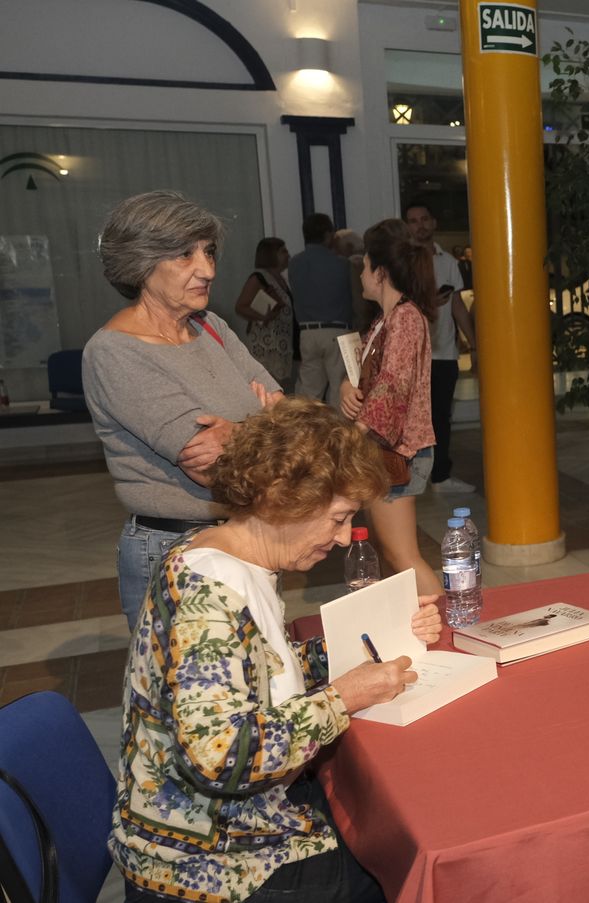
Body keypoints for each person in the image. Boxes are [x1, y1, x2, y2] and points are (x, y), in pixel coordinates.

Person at [112, 396, 442, 902]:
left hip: (230, 829)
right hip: (208, 862)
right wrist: (343, 699)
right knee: (399, 868)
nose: (339, 539)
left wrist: (378, 639)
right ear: (281, 500)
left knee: (377, 825)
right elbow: (219, 757)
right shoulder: (210, 591)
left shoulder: (227, 556)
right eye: (336, 518)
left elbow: (260, 673)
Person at [83, 190, 282, 632]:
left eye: (208, 252)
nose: (207, 269)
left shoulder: (210, 327)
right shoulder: (115, 352)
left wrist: (235, 432)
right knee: (190, 694)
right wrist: (263, 421)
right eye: (184, 255)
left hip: (246, 535)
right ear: (140, 264)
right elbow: (210, 468)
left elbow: (290, 419)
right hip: (176, 548)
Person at [340, 219, 444, 597]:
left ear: (380, 272)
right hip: (383, 449)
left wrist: (355, 433)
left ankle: (450, 629)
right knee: (393, 554)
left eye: (365, 266)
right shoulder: (388, 320)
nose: (362, 275)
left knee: (402, 556)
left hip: (398, 451)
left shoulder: (404, 318)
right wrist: (346, 387)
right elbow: (372, 378)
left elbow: (392, 385)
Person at [403, 199, 478, 494]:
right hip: (412, 353)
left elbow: (457, 303)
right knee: (411, 417)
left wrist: (473, 344)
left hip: (444, 351)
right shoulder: (403, 261)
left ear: (433, 223)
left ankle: (441, 476)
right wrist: (426, 303)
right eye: (413, 220)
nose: (420, 225)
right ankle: (410, 477)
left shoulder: (448, 261)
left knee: (441, 416)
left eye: (424, 219)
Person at [287, 213, 356, 406]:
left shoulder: (295, 263)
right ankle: (339, 434)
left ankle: (304, 433)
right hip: (338, 330)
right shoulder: (342, 263)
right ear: (328, 235)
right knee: (340, 390)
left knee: (308, 393)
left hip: (307, 332)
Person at [232, 237, 295, 388]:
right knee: (267, 386)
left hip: (280, 343)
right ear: (271, 254)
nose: (288, 255)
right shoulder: (259, 277)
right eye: (283, 251)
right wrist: (264, 317)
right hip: (266, 343)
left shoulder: (279, 278)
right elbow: (241, 306)